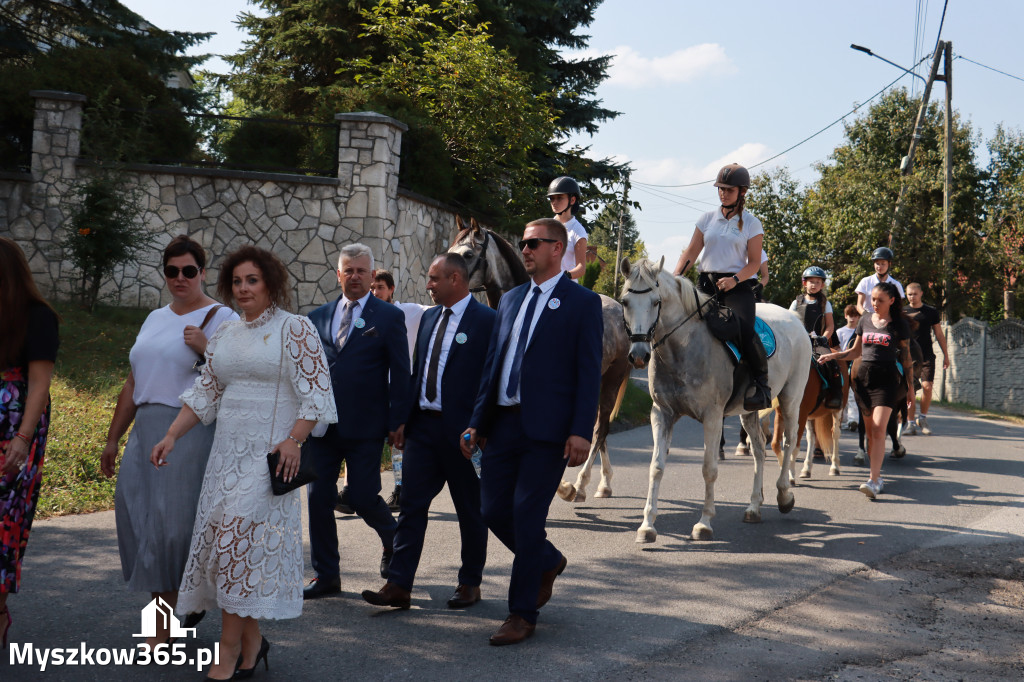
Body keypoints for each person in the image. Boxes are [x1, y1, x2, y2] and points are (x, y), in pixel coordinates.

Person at [150, 246, 336, 680]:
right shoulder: (227, 336)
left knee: (235, 543)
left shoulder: (296, 329)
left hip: (270, 461)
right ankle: (253, 644)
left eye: (252, 280)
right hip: (225, 459)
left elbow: (317, 395)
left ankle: (228, 650)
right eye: (236, 282)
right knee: (227, 551)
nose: (243, 288)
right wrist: (172, 435)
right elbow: (206, 394)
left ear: (270, 283)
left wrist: (294, 439)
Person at [461, 217, 603, 645]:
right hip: (502, 425)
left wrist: (582, 430)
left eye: (534, 243)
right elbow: (494, 365)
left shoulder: (581, 303)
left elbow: (588, 372)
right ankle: (547, 559)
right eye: (523, 243)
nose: (525, 250)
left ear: (557, 249)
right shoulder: (510, 300)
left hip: (549, 432)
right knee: (491, 511)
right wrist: (477, 422)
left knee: (526, 515)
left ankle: (521, 614)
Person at [100, 235, 237, 650]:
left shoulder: (222, 316)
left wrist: (207, 348)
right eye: (172, 271)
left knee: (169, 527)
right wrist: (112, 439)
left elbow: (237, 378)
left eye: (189, 271)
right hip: (145, 428)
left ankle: (163, 629)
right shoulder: (155, 318)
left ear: (203, 272)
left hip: (187, 431)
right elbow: (132, 382)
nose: (180, 278)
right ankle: (180, 609)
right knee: (138, 518)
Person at [362, 253, 495, 610]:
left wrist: (480, 425)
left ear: (456, 279)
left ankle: (470, 582)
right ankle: (399, 584)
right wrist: (401, 420)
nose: (429, 286)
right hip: (423, 429)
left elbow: (490, 379)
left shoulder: (486, 320)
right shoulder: (429, 317)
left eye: (435, 279)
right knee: (411, 505)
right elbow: (417, 371)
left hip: (464, 435)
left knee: (470, 509)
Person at [302, 244, 410, 599]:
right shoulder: (317, 317)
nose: (355, 276)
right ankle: (326, 576)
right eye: (348, 270)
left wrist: (399, 420)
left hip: (366, 426)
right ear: (338, 274)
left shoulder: (388, 317)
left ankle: (393, 539)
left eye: (362, 271)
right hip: (322, 428)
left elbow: (401, 372)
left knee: (363, 496)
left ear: (372, 274)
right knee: (319, 499)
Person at [672, 163, 771, 410]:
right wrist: (674, 279)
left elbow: (755, 263)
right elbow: (691, 253)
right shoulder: (706, 219)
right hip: (705, 283)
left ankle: (761, 384)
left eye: (728, 189)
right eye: (720, 189)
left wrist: (734, 280)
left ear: (742, 191)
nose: (723, 193)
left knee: (745, 330)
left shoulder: (752, 223)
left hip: (738, 286)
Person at [0, 237, 59, 649]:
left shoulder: (38, 316)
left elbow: (39, 384)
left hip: (16, 429)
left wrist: (22, 438)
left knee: (6, 521)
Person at [818, 282, 913, 500]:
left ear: (891, 301)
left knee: (879, 430)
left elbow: (907, 359)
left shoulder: (899, 324)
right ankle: (876, 475)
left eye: (880, 300)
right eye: (873, 299)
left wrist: (909, 389)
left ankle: (874, 479)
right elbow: (854, 351)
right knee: (870, 434)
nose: (875, 304)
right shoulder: (865, 320)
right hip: (863, 381)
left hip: (887, 380)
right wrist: (832, 356)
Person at [368, 269, 429, 512]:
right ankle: (360, 489)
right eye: (372, 288)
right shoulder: (367, 314)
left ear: (391, 289)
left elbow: (437, 312)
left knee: (398, 441)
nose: (376, 292)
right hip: (375, 387)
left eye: (380, 287)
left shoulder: (409, 311)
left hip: (400, 387)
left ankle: (401, 489)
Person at [790, 266, 842, 411]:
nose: (814, 285)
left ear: (822, 285)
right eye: (811, 281)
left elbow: (830, 326)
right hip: (799, 340)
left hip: (817, 342)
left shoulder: (825, 303)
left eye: (817, 282)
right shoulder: (796, 302)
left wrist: (823, 338)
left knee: (831, 363)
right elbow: (789, 322)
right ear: (804, 283)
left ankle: (835, 394)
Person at [904, 283, 950, 435]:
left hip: (926, 355)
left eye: (915, 294)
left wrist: (946, 355)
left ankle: (922, 418)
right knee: (909, 390)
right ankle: (910, 424)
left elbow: (939, 334)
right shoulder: (902, 312)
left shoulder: (930, 312)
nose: (912, 297)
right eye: (909, 294)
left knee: (927, 386)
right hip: (908, 357)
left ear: (921, 293)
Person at [546, 176, 588, 280]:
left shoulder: (578, 231)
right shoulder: (546, 227)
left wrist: (563, 276)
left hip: (567, 287)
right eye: (552, 198)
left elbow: (581, 268)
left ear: (572, 200)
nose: (554, 202)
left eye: (559, 198)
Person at [856, 247, 905, 314]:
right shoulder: (865, 281)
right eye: (877, 263)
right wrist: (866, 317)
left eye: (883, 263)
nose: (879, 267)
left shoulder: (896, 284)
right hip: (868, 318)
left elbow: (899, 307)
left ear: (889, 264)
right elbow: (859, 305)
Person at [836, 305, 862, 431]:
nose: (853, 318)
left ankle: (853, 420)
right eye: (850, 315)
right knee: (843, 392)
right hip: (843, 364)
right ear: (846, 316)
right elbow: (837, 348)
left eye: (856, 316)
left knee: (853, 393)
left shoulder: (861, 332)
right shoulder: (840, 332)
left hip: (856, 363)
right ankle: (844, 419)